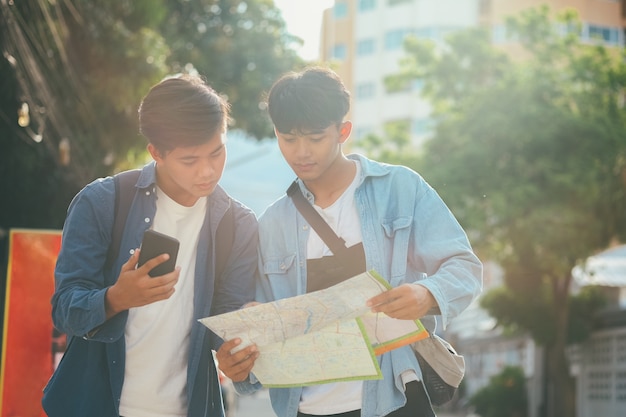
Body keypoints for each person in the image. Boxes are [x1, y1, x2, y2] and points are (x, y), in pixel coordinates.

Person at [218, 67, 483, 417]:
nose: (301, 152)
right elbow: (261, 324)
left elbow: (464, 266)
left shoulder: (400, 189)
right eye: (288, 138)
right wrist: (239, 360)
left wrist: (427, 294)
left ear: (343, 131)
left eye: (315, 138)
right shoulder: (271, 225)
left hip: (394, 399)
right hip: (306, 407)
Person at [42, 74, 259, 417]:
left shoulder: (238, 224)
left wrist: (238, 356)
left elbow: (227, 319)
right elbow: (65, 309)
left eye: (217, 152)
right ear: (156, 152)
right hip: (95, 405)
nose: (208, 171)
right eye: (190, 160)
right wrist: (116, 298)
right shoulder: (102, 203)